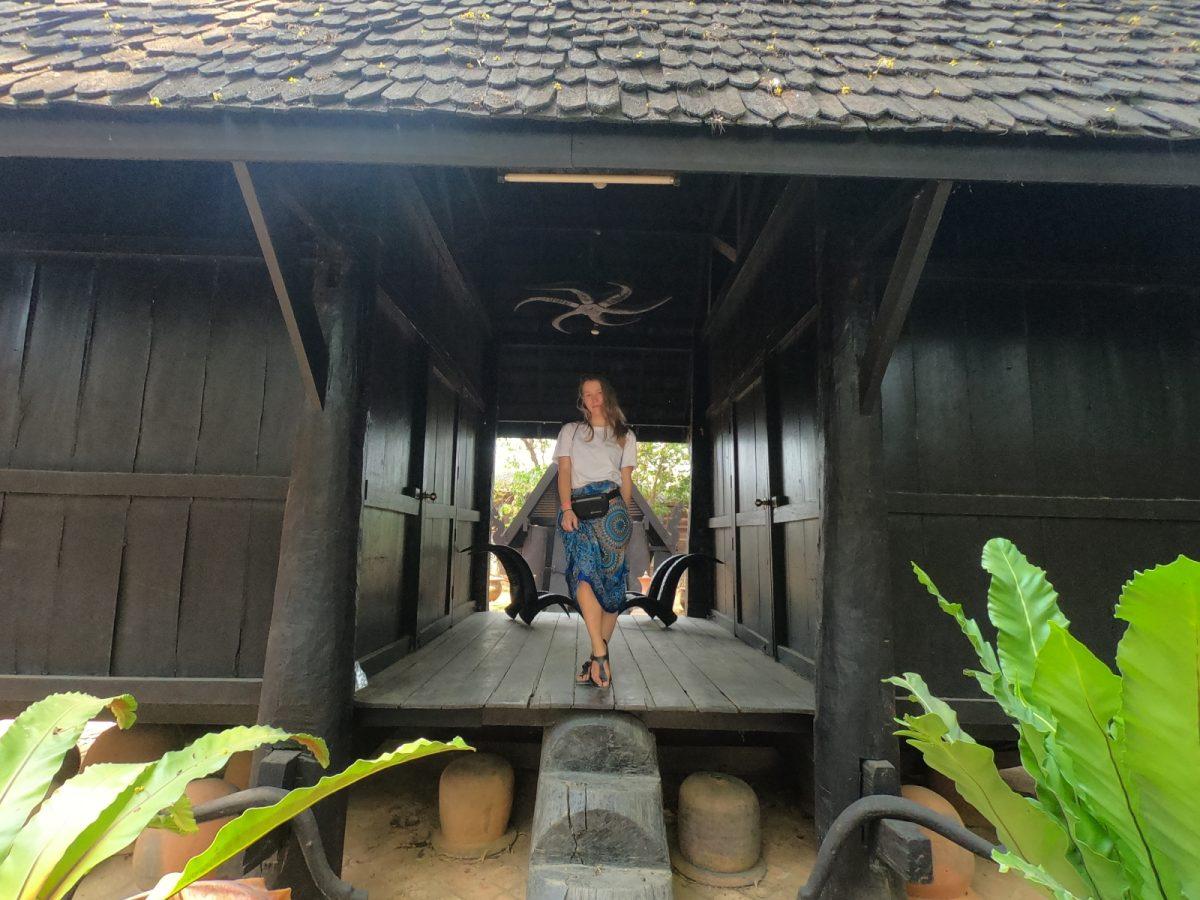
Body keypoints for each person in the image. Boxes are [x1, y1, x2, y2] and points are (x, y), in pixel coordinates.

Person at [552, 374, 638, 689]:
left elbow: (626, 481)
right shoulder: (570, 431)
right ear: (582, 400)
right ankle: (601, 653)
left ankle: (594, 659)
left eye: (598, 393)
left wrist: (624, 518)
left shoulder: (625, 435)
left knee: (613, 587)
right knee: (583, 574)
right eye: (587, 395)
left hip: (613, 512)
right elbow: (564, 470)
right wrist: (566, 508)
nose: (593, 399)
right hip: (577, 509)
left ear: (607, 395)